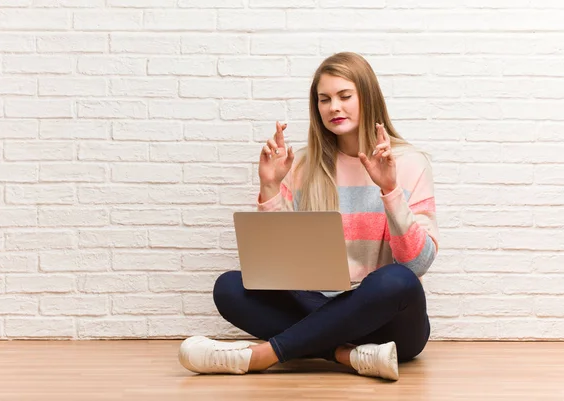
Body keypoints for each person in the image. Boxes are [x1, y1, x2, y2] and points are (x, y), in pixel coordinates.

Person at [178, 52, 439, 381]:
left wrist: (389, 188)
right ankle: (345, 354)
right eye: (324, 99)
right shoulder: (301, 165)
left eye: (345, 96)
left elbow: (418, 264)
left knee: (398, 281)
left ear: (368, 97)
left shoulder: (410, 162)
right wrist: (271, 186)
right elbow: (276, 264)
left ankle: (264, 355)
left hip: (389, 324)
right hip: (317, 304)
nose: (334, 107)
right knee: (229, 287)